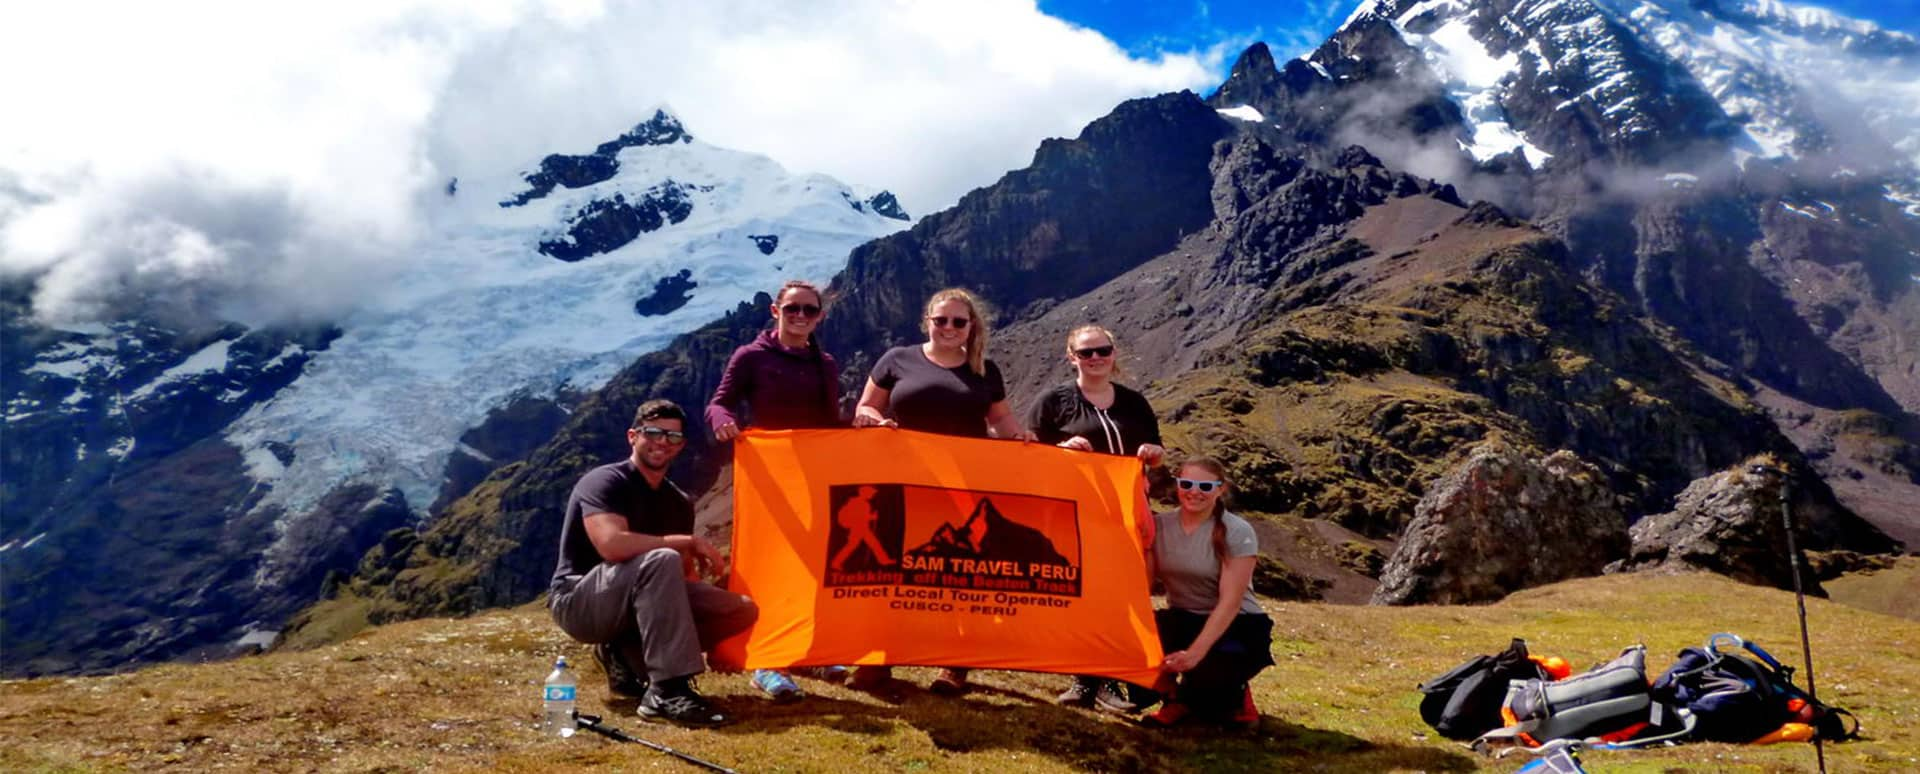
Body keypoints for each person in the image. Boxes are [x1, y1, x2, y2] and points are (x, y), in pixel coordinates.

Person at [850, 287, 1034, 698]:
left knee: (959, 573)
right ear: (927, 322)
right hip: (902, 481)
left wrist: (1019, 437)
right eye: (941, 320)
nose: (949, 328)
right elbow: (866, 406)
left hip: (962, 485)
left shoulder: (984, 369)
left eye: (958, 321)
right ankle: (879, 658)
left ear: (971, 327)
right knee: (895, 568)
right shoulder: (896, 359)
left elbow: (1000, 417)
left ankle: (955, 664)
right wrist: (872, 420)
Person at [548, 399, 757, 727]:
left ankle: (624, 654)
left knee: (741, 609)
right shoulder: (604, 481)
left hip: (633, 604)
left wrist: (717, 635)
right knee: (662, 558)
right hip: (579, 602)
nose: (663, 442)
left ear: (681, 445)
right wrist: (684, 542)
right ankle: (666, 690)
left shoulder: (678, 503)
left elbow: (682, 578)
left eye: (673, 437)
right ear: (633, 436)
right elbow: (612, 545)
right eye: (654, 433)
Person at [704, 279, 851, 702]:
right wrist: (720, 423)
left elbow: (826, 423)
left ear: (820, 317)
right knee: (770, 566)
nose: (800, 317)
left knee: (813, 564)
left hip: (813, 475)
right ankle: (768, 661)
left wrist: (862, 428)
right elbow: (720, 402)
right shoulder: (749, 356)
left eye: (809, 311)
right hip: (768, 476)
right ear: (776, 311)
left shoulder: (825, 363)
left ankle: (808, 651)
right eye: (793, 310)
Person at [1027, 324, 1165, 712]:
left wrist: (1154, 454)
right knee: (1088, 594)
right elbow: (1028, 453)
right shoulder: (1053, 401)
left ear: (1114, 353)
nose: (1095, 358)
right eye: (1086, 353)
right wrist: (1061, 449)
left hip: (1127, 510)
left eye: (1102, 350)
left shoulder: (1134, 402)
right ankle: (1089, 681)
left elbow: (1158, 451)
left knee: (1125, 594)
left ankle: (1110, 678)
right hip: (1076, 513)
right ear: (1071, 357)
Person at [1139, 457, 1273, 729]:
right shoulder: (1160, 526)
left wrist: (1193, 656)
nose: (1194, 492)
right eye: (1186, 483)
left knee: (1211, 686)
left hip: (1237, 625)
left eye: (1205, 486)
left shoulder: (1237, 531)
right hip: (1182, 618)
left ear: (1220, 489)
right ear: (1177, 485)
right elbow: (1143, 585)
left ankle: (1236, 698)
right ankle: (1174, 698)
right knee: (1136, 648)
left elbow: (1230, 603)